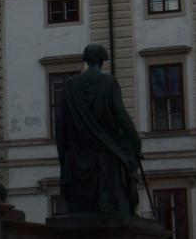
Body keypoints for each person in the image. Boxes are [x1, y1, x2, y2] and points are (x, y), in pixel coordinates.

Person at [55, 43, 141, 216]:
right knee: (128, 163)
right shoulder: (109, 82)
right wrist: (135, 140)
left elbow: (60, 124)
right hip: (106, 151)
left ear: (86, 61)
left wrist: (63, 157)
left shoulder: (70, 85)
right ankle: (127, 205)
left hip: (77, 154)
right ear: (102, 61)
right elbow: (121, 115)